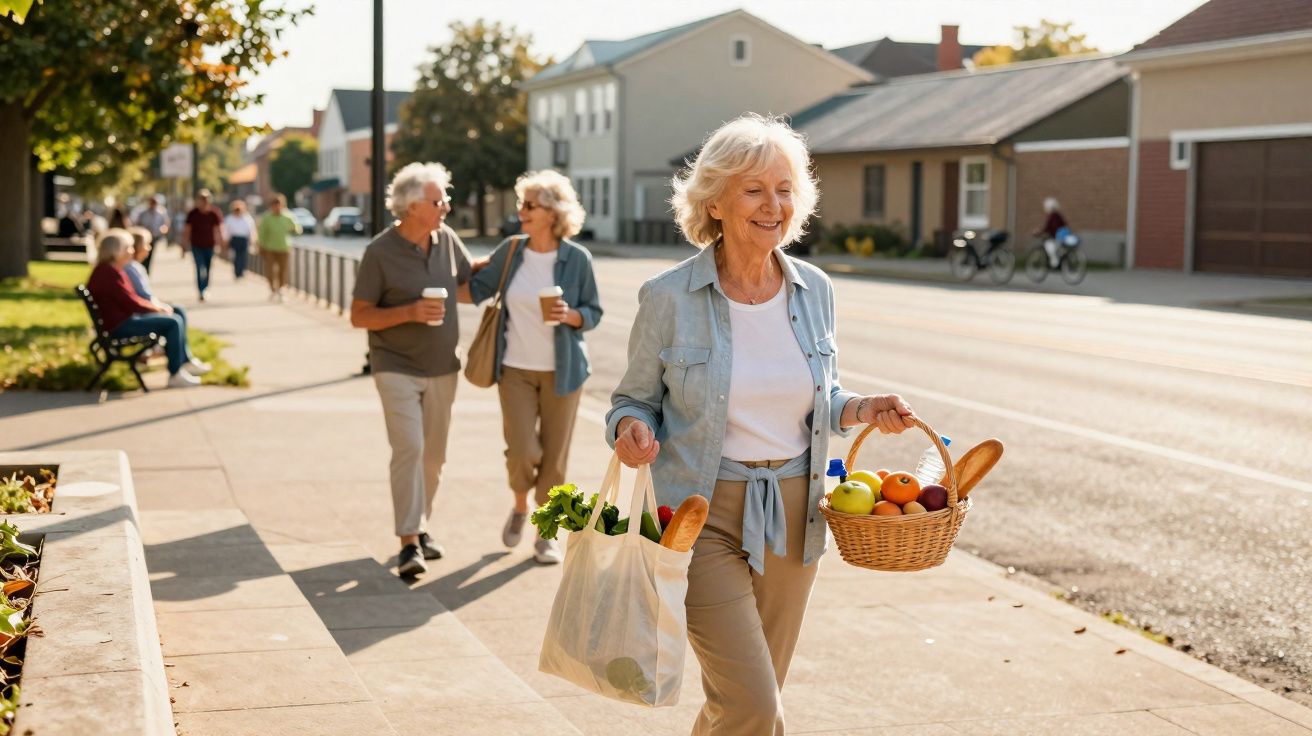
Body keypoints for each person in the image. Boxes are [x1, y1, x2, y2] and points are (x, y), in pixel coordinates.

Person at [606, 114, 916, 735]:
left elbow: (821, 398)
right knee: (754, 704)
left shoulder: (814, 291)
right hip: (700, 509)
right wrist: (629, 428)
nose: (773, 205)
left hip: (795, 512)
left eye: (783, 188)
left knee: (747, 698)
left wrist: (864, 408)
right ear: (716, 202)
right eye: (754, 190)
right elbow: (632, 399)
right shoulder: (668, 297)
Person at [459, 171, 602, 565]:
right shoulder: (511, 250)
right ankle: (521, 505)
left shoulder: (577, 259)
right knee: (522, 449)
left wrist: (571, 315)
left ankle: (546, 533)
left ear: (552, 212)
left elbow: (594, 311)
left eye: (529, 205)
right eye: (521, 204)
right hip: (515, 368)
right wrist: (438, 267)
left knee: (555, 458)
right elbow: (475, 289)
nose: (520, 211)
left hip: (565, 371)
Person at [350, 162, 473, 578]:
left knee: (434, 457)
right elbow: (359, 315)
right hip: (395, 365)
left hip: (443, 366)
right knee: (410, 449)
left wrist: (520, 260)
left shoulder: (447, 240)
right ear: (410, 206)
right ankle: (408, 541)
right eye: (439, 201)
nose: (446, 207)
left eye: (445, 199)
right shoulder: (379, 253)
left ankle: (421, 528)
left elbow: (470, 283)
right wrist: (409, 312)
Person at [87, 229, 210, 389]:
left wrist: (155, 308)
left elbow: (130, 300)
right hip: (120, 325)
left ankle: (180, 366)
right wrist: (156, 309)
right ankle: (175, 373)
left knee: (174, 318)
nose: (132, 252)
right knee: (173, 323)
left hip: (120, 321)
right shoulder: (109, 273)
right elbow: (131, 302)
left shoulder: (109, 270)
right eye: (128, 248)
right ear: (117, 251)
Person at [256, 194, 300, 301]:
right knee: (270, 271)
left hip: (284, 248)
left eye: (279, 205)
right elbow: (261, 233)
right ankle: (272, 289)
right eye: (275, 205)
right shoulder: (267, 218)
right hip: (270, 248)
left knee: (283, 270)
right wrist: (260, 245)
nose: (277, 207)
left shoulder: (288, 216)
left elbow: (297, 228)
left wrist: (295, 230)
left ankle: (280, 289)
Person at [183, 190, 224, 301]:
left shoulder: (214, 213)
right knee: (199, 267)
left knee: (208, 267)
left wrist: (220, 244)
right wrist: (184, 245)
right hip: (196, 245)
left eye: (206, 199)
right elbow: (187, 230)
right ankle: (201, 290)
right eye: (202, 199)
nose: (204, 202)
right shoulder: (193, 214)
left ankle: (206, 287)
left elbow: (218, 230)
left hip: (210, 245)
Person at [134, 196, 170, 273]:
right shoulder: (143, 213)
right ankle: (143, 268)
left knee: (149, 254)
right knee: (143, 254)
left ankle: (147, 269)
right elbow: (138, 223)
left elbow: (165, 224)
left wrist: (163, 230)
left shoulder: (161, 213)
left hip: (154, 236)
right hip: (144, 237)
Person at [223, 200, 257, 280]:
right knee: (235, 256)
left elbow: (251, 229)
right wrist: (226, 241)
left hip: (243, 239)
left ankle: (241, 272)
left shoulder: (247, 218)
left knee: (243, 256)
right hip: (234, 239)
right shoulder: (229, 218)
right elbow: (226, 231)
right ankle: (237, 272)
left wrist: (252, 239)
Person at [1036, 197, 1068, 268]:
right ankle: (1060, 258)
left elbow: (1048, 227)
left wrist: (1039, 232)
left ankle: (1055, 262)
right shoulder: (1057, 215)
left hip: (1058, 236)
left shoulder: (1052, 215)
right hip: (1062, 234)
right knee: (1054, 246)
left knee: (1048, 245)